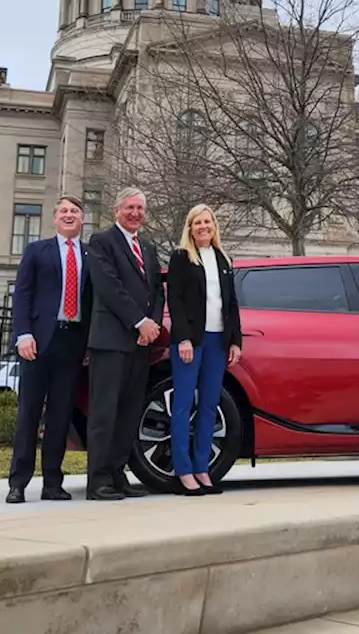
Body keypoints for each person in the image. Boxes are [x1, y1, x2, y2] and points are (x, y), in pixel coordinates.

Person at [6, 195, 91, 504]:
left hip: (72, 344)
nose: (69, 215)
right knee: (29, 413)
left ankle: (52, 482)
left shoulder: (89, 254)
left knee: (60, 416)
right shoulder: (36, 251)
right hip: (38, 343)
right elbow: (22, 296)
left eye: (75, 211)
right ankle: (18, 482)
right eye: (64, 211)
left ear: (83, 219)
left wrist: (88, 345)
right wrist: (23, 335)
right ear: (55, 218)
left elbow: (92, 303)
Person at [84, 187, 165, 500]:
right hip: (111, 341)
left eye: (140, 208)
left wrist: (152, 325)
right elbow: (109, 287)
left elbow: (156, 288)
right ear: (117, 210)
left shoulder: (147, 246)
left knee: (129, 413)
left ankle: (118, 475)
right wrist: (139, 321)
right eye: (130, 207)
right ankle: (98, 480)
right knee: (105, 413)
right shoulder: (102, 242)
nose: (135, 213)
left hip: (140, 344)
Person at [166, 204, 243, 496]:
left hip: (217, 341)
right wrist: (183, 338)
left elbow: (231, 303)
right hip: (191, 342)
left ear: (214, 226)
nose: (203, 226)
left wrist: (236, 340)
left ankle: (202, 468)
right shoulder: (181, 257)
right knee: (184, 405)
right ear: (190, 227)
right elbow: (174, 299)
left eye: (207, 222)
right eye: (197, 222)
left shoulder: (223, 258)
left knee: (210, 405)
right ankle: (183, 470)